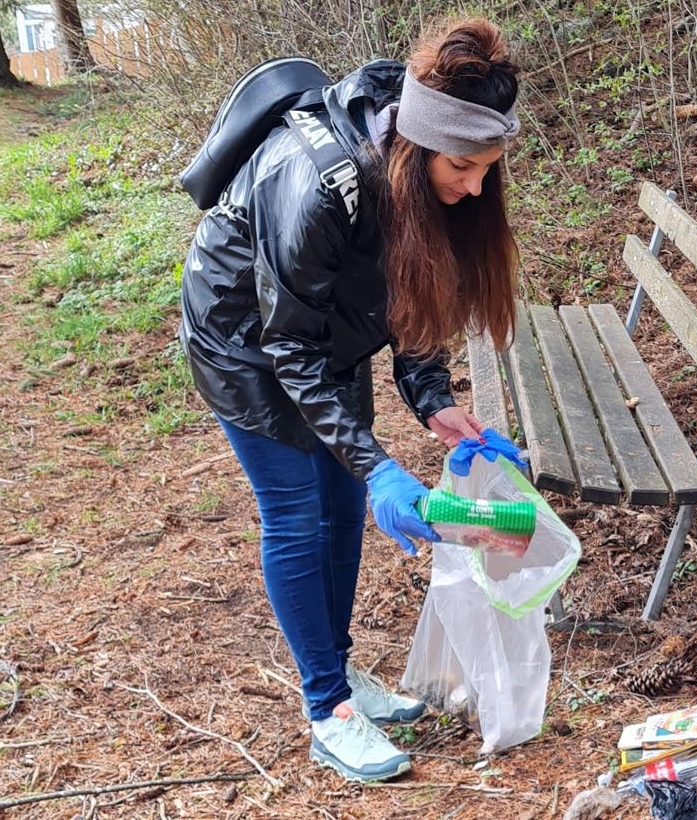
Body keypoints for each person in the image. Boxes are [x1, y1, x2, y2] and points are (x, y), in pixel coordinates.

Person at [178, 19, 521, 783]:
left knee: (341, 507)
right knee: (300, 515)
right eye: (463, 167)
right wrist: (381, 468)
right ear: (418, 146)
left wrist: (432, 399)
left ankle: (339, 673)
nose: (473, 187)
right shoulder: (318, 186)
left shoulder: (421, 171)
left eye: (485, 170)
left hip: (325, 332)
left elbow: (412, 290)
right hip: (246, 343)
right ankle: (326, 708)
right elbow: (287, 348)